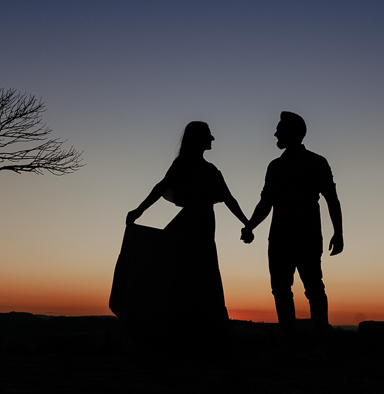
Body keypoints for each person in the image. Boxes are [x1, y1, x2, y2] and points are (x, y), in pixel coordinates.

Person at [123, 121, 250, 332]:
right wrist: (139, 210)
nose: (212, 139)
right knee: (191, 273)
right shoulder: (187, 166)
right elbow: (161, 187)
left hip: (201, 225)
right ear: (198, 139)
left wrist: (247, 223)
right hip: (195, 224)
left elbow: (229, 199)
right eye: (208, 135)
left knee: (196, 273)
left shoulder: (208, 170)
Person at [241, 112, 343, 345]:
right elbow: (266, 202)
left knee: (313, 288)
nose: (275, 133)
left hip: (303, 237)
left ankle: (319, 340)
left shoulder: (317, 162)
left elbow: (332, 199)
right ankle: (290, 339)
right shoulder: (275, 166)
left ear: (294, 133)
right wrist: (250, 226)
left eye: (280, 130)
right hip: (280, 238)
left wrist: (339, 232)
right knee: (282, 289)